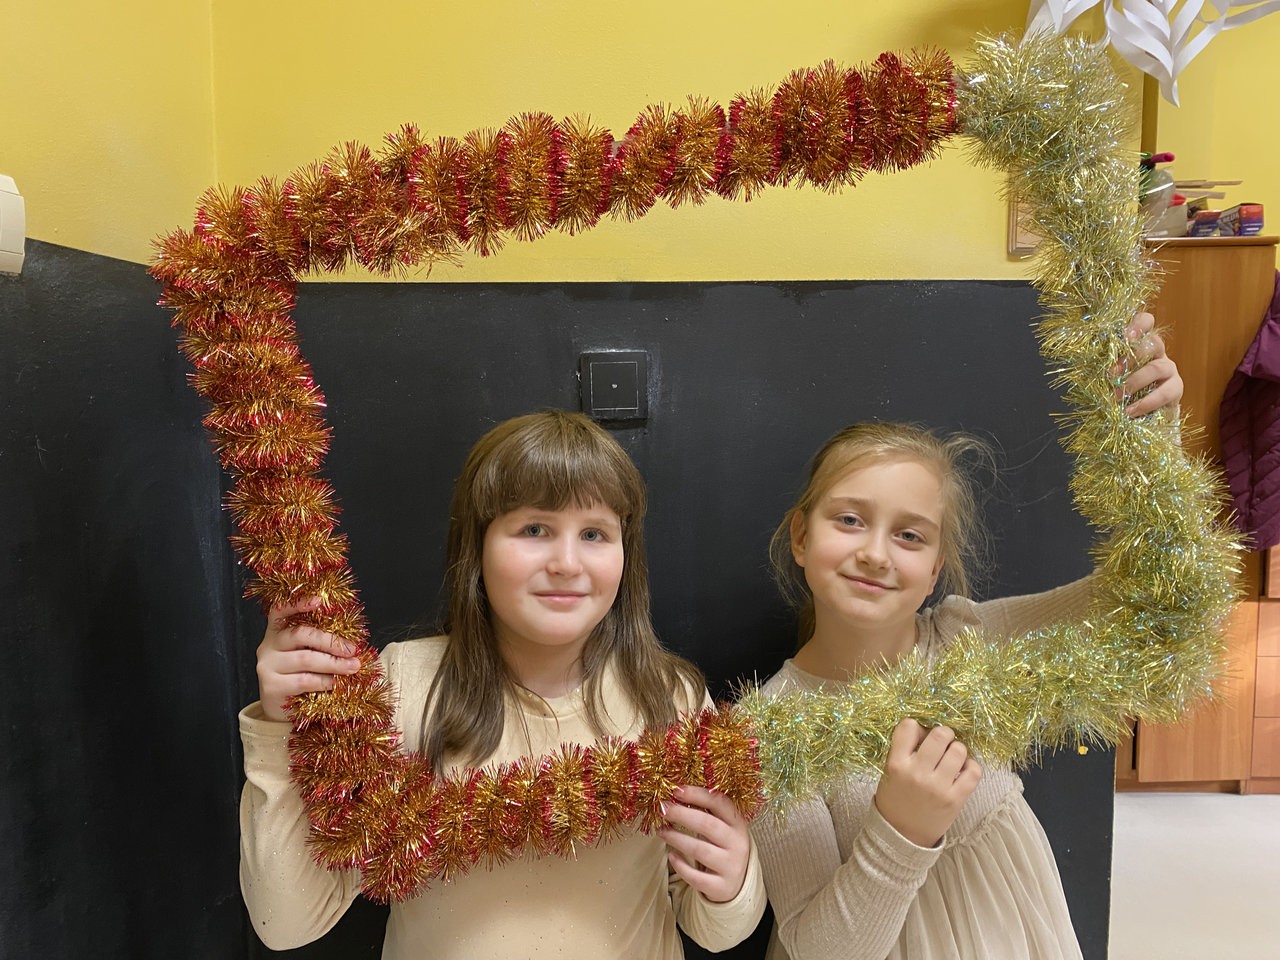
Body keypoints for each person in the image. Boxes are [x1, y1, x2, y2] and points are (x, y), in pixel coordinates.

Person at [239, 410, 766, 958]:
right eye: (534, 529)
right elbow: (286, 923)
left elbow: (717, 928)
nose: (566, 563)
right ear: (478, 546)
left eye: (594, 534)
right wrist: (280, 730)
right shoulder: (399, 686)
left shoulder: (671, 697)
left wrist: (733, 882)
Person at [752, 312, 1182, 960]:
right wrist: (901, 831)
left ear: (934, 570)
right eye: (849, 520)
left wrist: (1152, 446)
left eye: (909, 535)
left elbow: (1143, 600)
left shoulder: (967, 638)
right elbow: (818, 949)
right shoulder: (770, 727)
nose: (875, 553)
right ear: (800, 537)